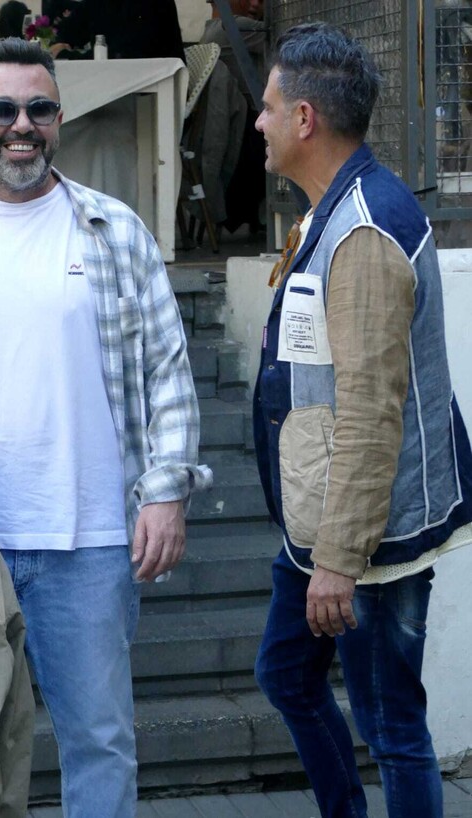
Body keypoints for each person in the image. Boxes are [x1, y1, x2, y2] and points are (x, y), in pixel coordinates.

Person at [0, 37, 211, 818]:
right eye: (3, 110)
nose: (21, 125)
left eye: (39, 109)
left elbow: (167, 371)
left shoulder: (113, 231)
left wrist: (165, 492)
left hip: (89, 544)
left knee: (99, 742)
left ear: (59, 119)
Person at [252, 22, 472, 818]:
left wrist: (340, 562)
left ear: (305, 118)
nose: (258, 122)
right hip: (321, 524)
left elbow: (375, 415)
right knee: (286, 674)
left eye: (268, 107)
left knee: (391, 725)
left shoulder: (366, 231)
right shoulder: (332, 209)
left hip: (365, 542)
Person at [201, 0, 268, 234]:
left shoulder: (210, 30)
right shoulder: (234, 26)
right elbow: (284, 37)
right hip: (250, 137)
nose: (255, 3)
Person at [42, 0, 185, 61]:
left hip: (153, 94)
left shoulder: (151, 3)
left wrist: (68, 55)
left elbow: (125, 54)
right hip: (114, 89)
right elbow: (70, 30)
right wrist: (59, 44)